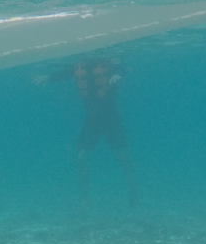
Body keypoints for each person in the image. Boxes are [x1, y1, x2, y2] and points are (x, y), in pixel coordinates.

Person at [34, 58, 138, 208]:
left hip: (111, 119)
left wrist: (117, 74)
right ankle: (85, 197)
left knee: (123, 157)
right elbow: (66, 72)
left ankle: (133, 191)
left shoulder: (108, 64)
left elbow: (123, 68)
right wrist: (49, 77)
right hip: (92, 120)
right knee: (82, 157)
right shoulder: (79, 65)